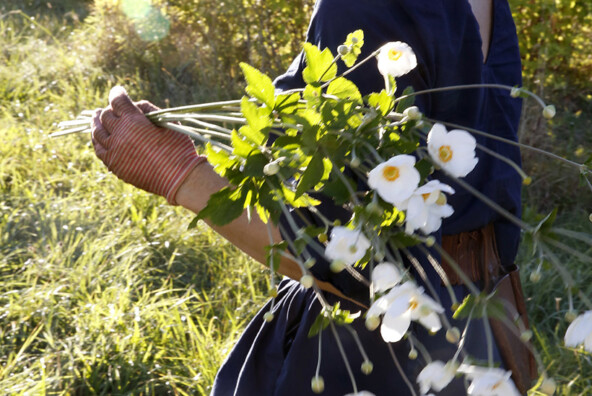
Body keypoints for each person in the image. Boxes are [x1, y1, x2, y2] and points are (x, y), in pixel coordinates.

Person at [91, 0, 530, 394]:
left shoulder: (362, 9)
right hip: (481, 336)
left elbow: (334, 258)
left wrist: (176, 173)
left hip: (378, 350)